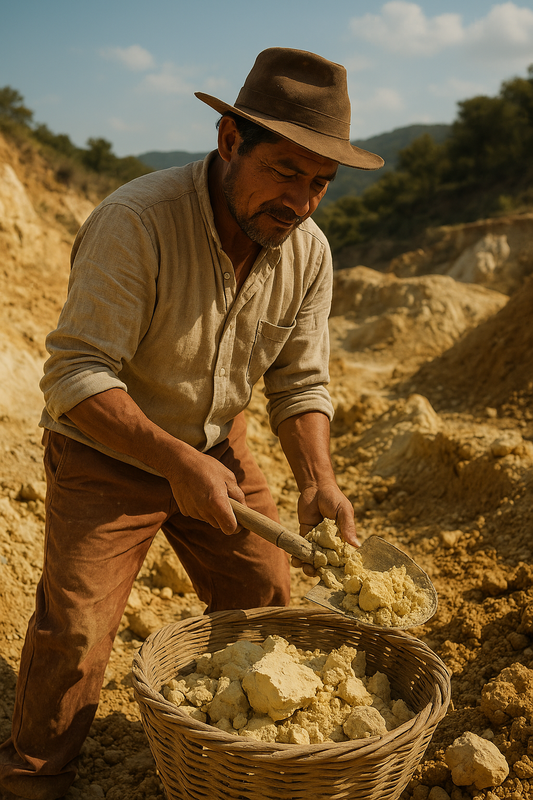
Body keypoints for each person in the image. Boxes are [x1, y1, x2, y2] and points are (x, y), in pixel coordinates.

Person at [0, 47, 384, 799]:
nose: (301, 202)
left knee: (267, 598)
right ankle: (31, 779)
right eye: (285, 172)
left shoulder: (306, 252)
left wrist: (319, 481)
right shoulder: (136, 222)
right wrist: (175, 462)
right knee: (75, 632)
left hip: (217, 446)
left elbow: (299, 381)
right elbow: (76, 376)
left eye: (318, 183)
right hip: (105, 447)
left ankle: (246, 761)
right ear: (230, 141)